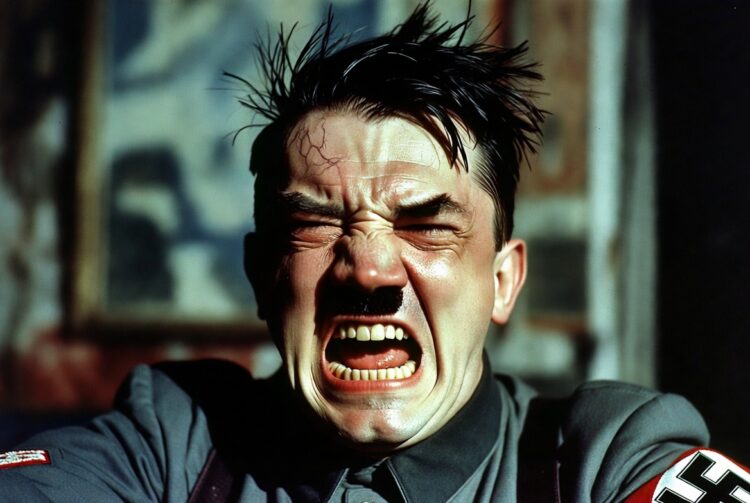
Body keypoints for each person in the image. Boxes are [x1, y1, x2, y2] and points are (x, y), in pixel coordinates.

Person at [1, 4, 747, 502]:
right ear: (262, 276)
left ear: (503, 280)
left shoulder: (597, 459)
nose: (369, 269)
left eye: (427, 226)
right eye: (318, 224)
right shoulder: (174, 444)